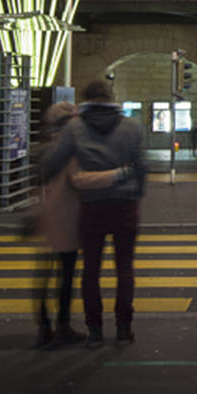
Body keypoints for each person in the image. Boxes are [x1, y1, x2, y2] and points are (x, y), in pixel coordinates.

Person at [44, 79, 148, 347]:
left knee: (91, 269)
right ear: (110, 96)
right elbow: (142, 165)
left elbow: (53, 163)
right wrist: (135, 194)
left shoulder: (75, 127)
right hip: (125, 205)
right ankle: (124, 327)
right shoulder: (131, 126)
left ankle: (95, 329)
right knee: (124, 267)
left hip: (92, 207)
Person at [30, 101, 84, 349]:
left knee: (42, 273)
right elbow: (77, 181)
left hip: (44, 215)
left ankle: (43, 326)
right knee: (66, 274)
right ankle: (62, 325)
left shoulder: (41, 148)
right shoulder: (70, 149)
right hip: (66, 214)